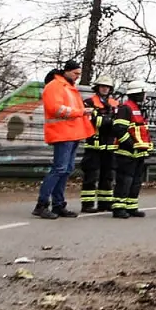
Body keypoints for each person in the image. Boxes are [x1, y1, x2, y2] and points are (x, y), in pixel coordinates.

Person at [36, 59, 91, 218]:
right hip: (62, 133)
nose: (77, 77)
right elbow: (56, 109)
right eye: (75, 73)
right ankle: (42, 204)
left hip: (71, 133)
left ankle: (58, 205)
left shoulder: (69, 88)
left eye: (79, 74)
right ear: (66, 71)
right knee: (59, 169)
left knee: (65, 169)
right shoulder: (54, 86)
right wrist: (81, 112)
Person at [110, 82, 152, 218]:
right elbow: (119, 130)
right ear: (137, 94)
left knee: (136, 180)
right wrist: (132, 144)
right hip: (126, 152)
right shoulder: (125, 108)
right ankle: (119, 208)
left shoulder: (137, 109)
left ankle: (131, 206)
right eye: (143, 93)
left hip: (138, 153)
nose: (145, 96)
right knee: (124, 180)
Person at [79, 78, 120, 213]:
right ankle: (87, 204)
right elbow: (92, 121)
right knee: (91, 176)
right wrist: (108, 121)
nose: (104, 89)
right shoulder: (89, 102)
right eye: (102, 86)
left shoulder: (115, 103)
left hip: (110, 146)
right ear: (97, 87)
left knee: (108, 176)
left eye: (107, 87)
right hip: (93, 146)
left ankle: (105, 203)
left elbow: (119, 122)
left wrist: (106, 121)